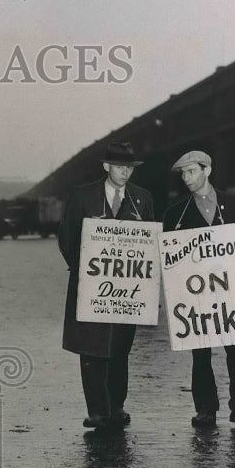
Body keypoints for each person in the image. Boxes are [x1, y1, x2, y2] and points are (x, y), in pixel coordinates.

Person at [162, 150, 235, 427]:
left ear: (207, 170)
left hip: (230, 289)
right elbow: (168, 258)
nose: (187, 178)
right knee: (200, 350)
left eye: (192, 171)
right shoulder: (176, 213)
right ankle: (205, 409)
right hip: (195, 295)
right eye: (183, 174)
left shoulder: (233, 203)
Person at [57, 142, 155, 430]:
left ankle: (117, 405)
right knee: (91, 347)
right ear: (106, 167)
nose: (124, 172)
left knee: (120, 346)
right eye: (119, 167)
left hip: (127, 289)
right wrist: (87, 271)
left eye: (129, 168)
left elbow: (148, 243)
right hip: (92, 286)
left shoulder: (142, 198)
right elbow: (67, 237)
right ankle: (97, 410)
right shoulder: (82, 195)